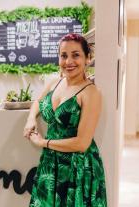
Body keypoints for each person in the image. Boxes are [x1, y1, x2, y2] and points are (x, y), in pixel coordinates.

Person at [24, 33, 107, 206]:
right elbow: (38, 102)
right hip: (50, 164)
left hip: (77, 167)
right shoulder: (54, 82)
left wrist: (43, 142)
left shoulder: (91, 93)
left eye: (76, 55)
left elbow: (82, 143)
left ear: (88, 59)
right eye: (64, 56)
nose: (69, 61)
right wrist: (31, 118)